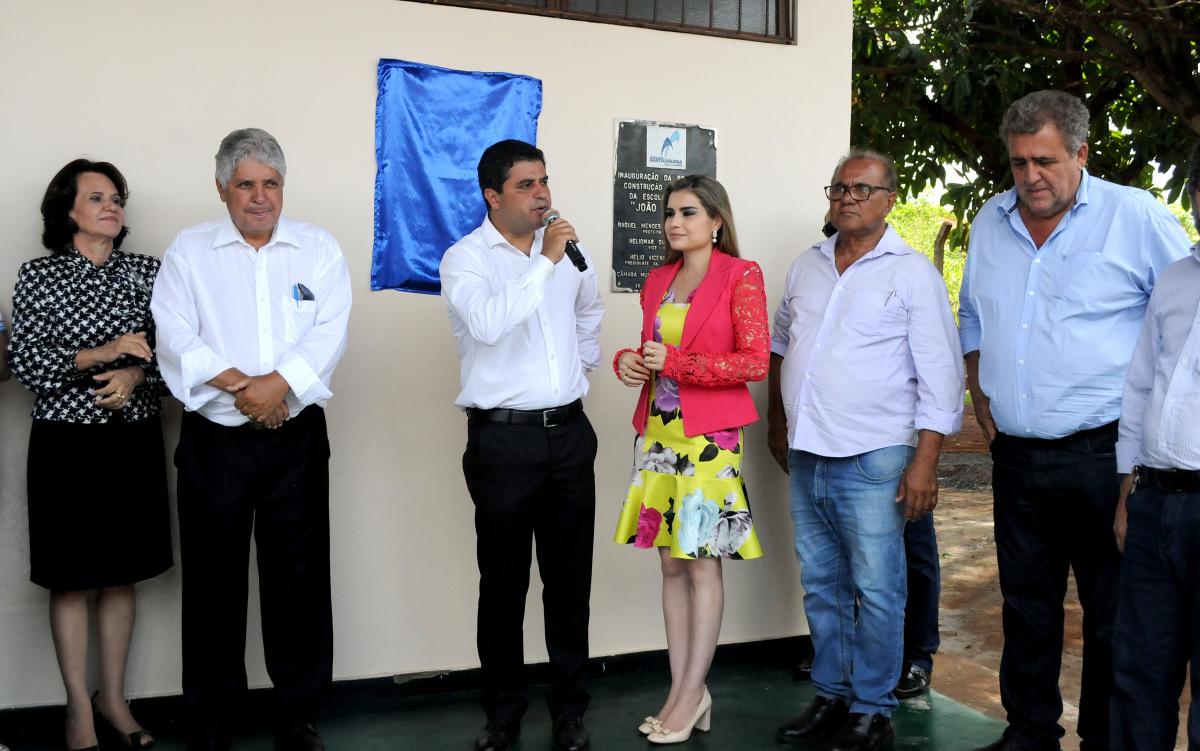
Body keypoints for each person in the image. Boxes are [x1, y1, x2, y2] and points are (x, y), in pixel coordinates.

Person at [958, 90, 1191, 751]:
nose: (1030, 176)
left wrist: (1146, 453)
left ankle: (1103, 740)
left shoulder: (1134, 216)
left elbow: (1184, 316)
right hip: (1017, 455)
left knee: (1112, 611)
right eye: (1018, 162)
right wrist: (979, 389)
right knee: (1025, 604)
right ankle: (1030, 731)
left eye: (1046, 161)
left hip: (1105, 454)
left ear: (1082, 154)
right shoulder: (990, 220)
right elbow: (972, 313)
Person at [151, 128, 352, 751]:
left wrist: (278, 388)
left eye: (270, 183)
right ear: (222, 189)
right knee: (213, 582)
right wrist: (248, 388)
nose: (259, 196)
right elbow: (174, 335)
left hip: (295, 435)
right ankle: (213, 718)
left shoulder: (318, 249)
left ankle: (298, 713)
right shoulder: (189, 251)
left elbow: (329, 332)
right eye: (245, 184)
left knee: (299, 578)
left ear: (283, 188)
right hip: (215, 439)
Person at [770, 149, 963, 751]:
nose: (848, 197)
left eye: (862, 189)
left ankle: (873, 708)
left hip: (876, 456)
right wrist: (777, 421)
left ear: (889, 200)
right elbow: (781, 344)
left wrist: (925, 462)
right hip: (808, 452)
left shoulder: (912, 274)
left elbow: (942, 375)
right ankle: (832, 693)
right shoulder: (807, 266)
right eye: (839, 188)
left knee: (878, 590)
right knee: (822, 585)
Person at [440, 139, 604, 751]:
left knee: (569, 584)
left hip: (569, 436)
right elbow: (488, 324)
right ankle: (503, 714)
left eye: (544, 181)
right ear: (493, 196)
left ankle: (570, 711)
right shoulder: (465, 259)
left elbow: (588, 312)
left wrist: (577, 370)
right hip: (502, 442)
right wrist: (545, 262)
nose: (542, 194)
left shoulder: (568, 255)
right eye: (526, 185)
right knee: (504, 585)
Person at [9, 159, 172, 751]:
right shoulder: (40, 275)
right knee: (72, 578)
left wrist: (134, 374)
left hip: (133, 439)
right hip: (66, 443)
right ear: (67, 209)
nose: (112, 206)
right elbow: (26, 363)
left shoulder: (149, 272)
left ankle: (115, 701)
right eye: (98, 196)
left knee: (121, 576)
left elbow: (180, 356)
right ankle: (78, 708)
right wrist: (102, 353)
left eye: (117, 197)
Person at [612, 174, 768, 744]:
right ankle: (683, 691)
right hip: (658, 434)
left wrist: (675, 362)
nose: (674, 223)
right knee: (670, 564)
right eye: (670, 213)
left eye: (688, 213)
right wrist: (629, 361)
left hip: (710, 440)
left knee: (701, 562)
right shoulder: (658, 279)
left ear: (716, 221)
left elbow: (754, 361)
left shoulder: (740, 274)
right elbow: (651, 353)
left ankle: (693, 691)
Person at [1110, 141, 1200, 750]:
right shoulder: (1174, 279)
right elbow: (1141, 384)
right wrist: (1128, 485)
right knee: (1139, 671)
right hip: (1154, 501)